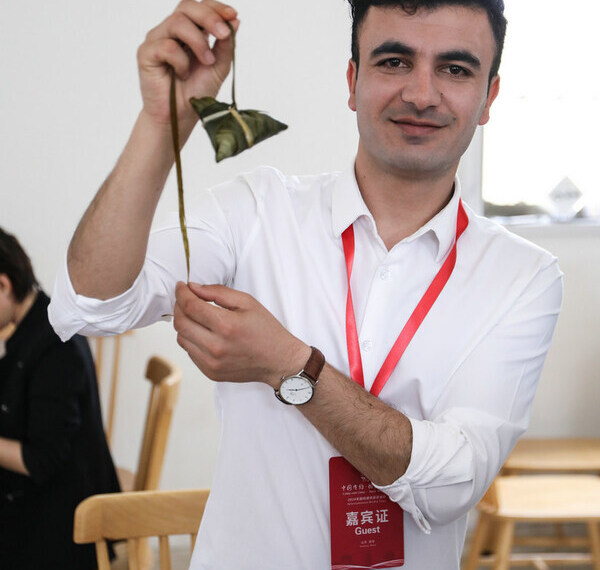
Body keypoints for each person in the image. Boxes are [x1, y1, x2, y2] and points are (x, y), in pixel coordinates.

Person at [48, 1, 563, 568]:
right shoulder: (255, 212)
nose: (421, 93)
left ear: (489, 96)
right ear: (353, 80)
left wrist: (291, 366)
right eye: (394, 61)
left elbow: (449, 486)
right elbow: (91, 306)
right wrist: (161, 121)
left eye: (455, 69)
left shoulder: (524, 276)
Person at [0, 228, 121, 569]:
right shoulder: (36, 322)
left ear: (4, 285)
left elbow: (41, 459)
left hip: (64, 526)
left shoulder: (55, 344)